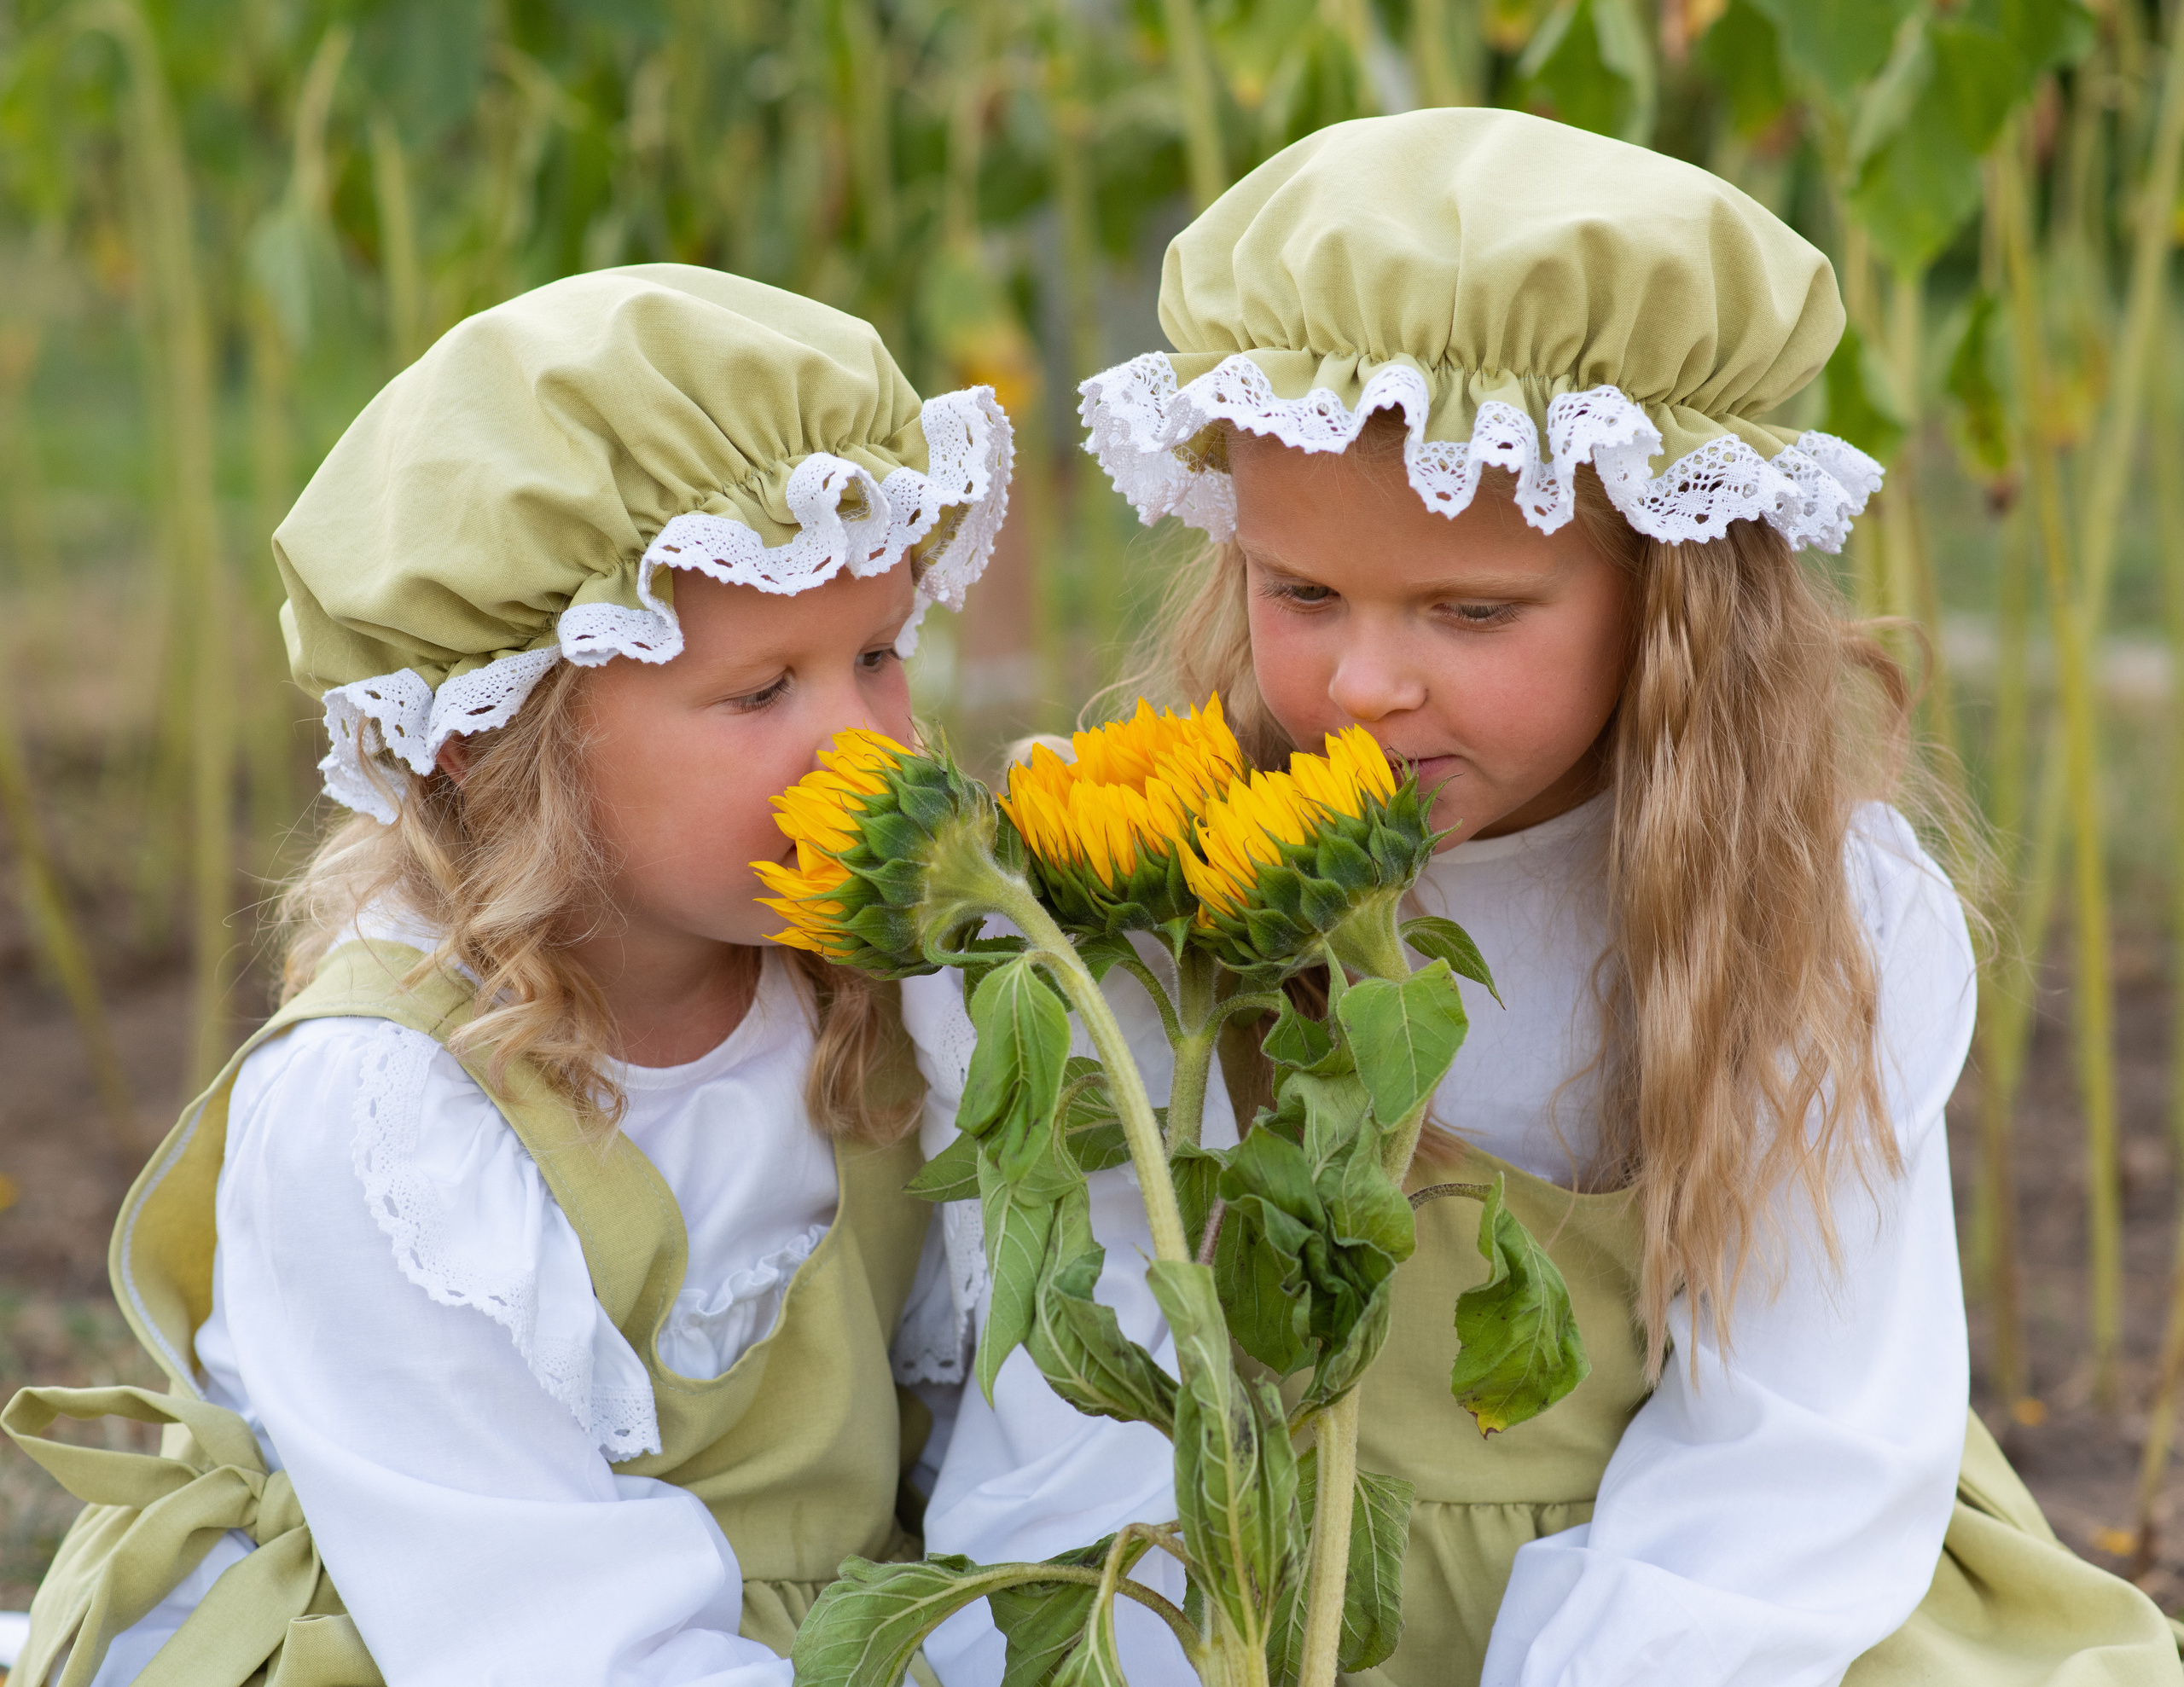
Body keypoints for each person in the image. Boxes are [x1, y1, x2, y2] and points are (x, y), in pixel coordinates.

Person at [906, 110, 2184, 1686]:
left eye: (1472, 608)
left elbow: (1792, 1456)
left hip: (1711, 1606)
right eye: (1300, 591)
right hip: (1258, 1598)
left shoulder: (1799, 916)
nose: (1366, 682)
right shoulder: (1158, 879)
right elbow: (1087, 1398)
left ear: (1670, 599)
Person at [3, 265, 1012, 1687]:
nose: (866, 745)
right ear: (494, 739)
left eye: (881, 654)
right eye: (762, 690)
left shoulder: (882, 991)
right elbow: (546, 1633)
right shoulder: (388, 1112)